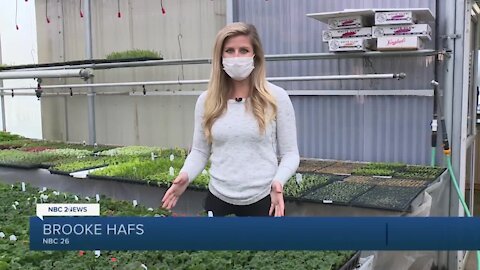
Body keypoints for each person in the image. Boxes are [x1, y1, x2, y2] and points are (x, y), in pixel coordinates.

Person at [161, 22, 299, 217]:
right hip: (218, 201)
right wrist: (185, 175)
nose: (236, 58)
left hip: (264, 201)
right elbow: (200, 151)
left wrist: (279, 181)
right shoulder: (207, 101)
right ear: (220, 57)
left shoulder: (276, 97)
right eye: (229, 51)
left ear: (255, 56)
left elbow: (291, 153)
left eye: (243, 50)